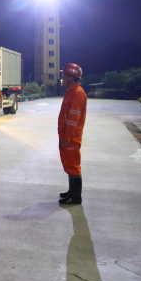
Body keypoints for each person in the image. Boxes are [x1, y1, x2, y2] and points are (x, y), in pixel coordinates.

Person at [58, 63, 87, 205]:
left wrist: (67, 138)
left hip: (71, 137)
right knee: (69, 165)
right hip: (66, 136)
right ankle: (71, 192)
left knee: (74, 166)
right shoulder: (71, 91)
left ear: (71, 77)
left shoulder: (77, 93)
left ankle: (76, 198)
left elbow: (73, 119)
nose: (62, 77)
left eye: (64, 75)